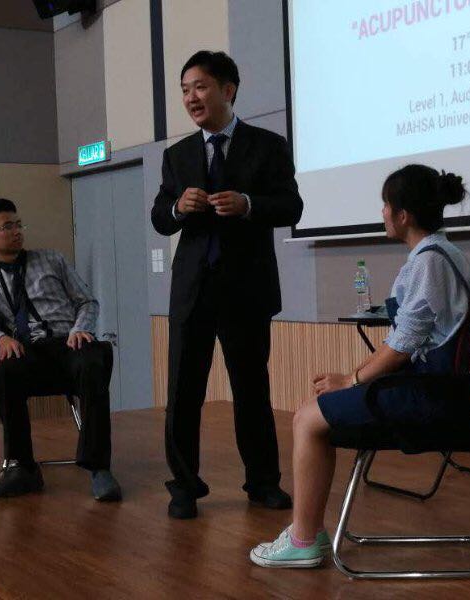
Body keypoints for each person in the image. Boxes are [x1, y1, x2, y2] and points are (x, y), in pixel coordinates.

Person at [250, 164, 470, 568]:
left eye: (386, 205)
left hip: (429, 396)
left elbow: (401, 348)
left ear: (403, 215)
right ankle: (307, 531)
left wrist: (351, 380)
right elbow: (400, 341)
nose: (382, 213)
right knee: (313, 412)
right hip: (437, 387)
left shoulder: (427, 264)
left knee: (307, 419)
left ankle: (304, 540)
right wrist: (349, 381)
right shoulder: (446, 254)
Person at [151, 50, 303, 519]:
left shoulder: (268, 146)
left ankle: (262, 483)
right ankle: (184, 486)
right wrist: (178, 208)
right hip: (192, 291)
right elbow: (160, 217)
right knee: (183, 394)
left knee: (252, 391)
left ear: (228, 90)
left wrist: (249, 204)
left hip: (246, 290)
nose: (190, 98)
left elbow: (292, 206)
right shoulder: (177, 155)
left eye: (199, 87)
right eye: (184, 90)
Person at [0, 198, 121, 501]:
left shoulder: (52, 259)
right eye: (7, 226)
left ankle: (98, 467)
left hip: (68, 342)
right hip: (29, 350)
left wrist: (80, 328)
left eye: (18, 224)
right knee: (4, 374)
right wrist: (0, 339)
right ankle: (22, 468)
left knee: (93, 361)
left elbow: (87, 301)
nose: (17, 231)